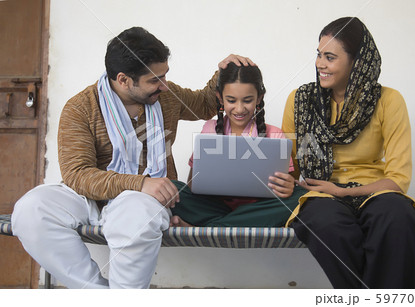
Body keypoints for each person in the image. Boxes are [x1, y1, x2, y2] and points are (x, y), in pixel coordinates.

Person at [11, 26, 253, 289]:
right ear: (124, 80)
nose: (163, 85)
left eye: (164, 76)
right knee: (30, 209)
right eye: (154, 80)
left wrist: (222, 72)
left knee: (135, 212)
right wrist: (139, 182)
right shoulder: (80, 108)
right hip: (91, 198)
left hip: (141, 202)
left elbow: (205, 104)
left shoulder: (165, 97)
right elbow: (77, 174)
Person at [282, 17, 415, 289]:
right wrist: (288, 180)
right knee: (325, 224)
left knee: (396, 217)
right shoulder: (300, 101)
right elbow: (292, 167)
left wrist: (343, 191)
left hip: (375, 190)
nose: (319, 64)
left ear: (356, 62)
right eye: (318, 54)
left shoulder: (388, 100)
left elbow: (398, 179)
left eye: (330, 57)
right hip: (319, 192)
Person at [170, 63, 306, 227]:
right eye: (231, 100)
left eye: (247, 100)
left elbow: (285, 187)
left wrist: (288, 187)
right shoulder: (209, 129)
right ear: (220, 98)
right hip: (214, 207)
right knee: (172, 188)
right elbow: (192, 184)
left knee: (302, 197)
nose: (239, 109)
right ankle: (231, 223)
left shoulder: (275, 134)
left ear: (259, 98)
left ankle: (209, 227)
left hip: (259, 208)